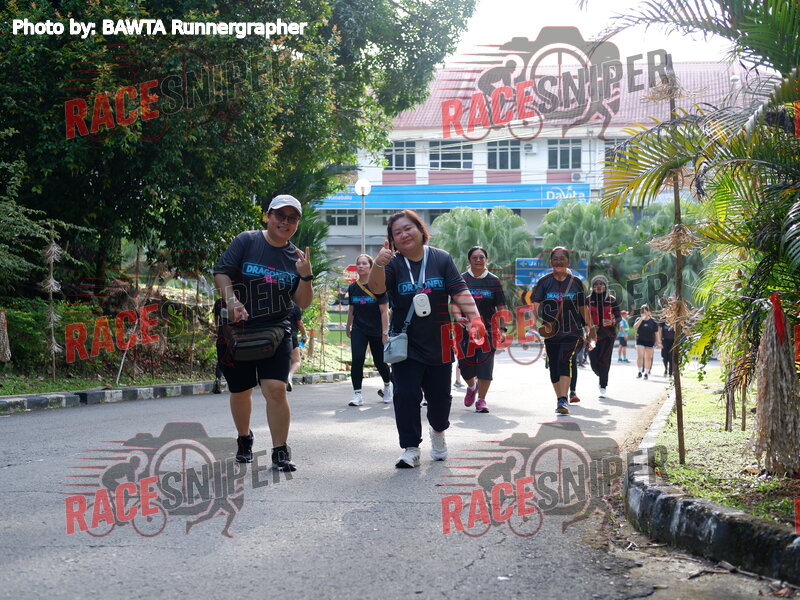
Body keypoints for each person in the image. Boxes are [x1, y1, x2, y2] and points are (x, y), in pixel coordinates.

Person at [369, 210, 483, 469]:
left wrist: (475, 320)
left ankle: (438, 431)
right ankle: (411, 448)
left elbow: (459, 290)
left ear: (421, 230)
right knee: (405, 395)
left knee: (440, 398)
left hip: (440, 341)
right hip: (405, 342)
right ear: (392, 241)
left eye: (408, 228)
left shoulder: (441, 258)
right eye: (397, 233)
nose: (404, 235)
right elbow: (377, 289)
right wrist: (378, 265)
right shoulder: (393, 264)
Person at [213, 194, 313, 472]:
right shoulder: (247, 241)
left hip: (277, 330)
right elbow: (221, 272)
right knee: (240, 390)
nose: (285, 222)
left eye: (292, 218)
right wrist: (232, 301)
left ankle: (280, 450)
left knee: (276, 389)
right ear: (268, 216)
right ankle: (244, 438)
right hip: (236, 330)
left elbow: (303, 302)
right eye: (280, 215)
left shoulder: (297, 257)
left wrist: (306, 275)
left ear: (297, 223)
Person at [529, 247, 594, 415]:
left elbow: (583, 307)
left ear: (568, 262)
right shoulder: (544, 282)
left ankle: (563, 398)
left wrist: (589, 326)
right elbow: (535, 306)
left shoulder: (576, 282)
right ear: (551, 262)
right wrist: (534, 326)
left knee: (565, 360)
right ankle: (560, 398)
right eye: (555, 259)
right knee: (554, 366)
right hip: (551, 331)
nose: (558, 262)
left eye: (562, 258)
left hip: (572, 330)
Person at [452, 246, 508, 413]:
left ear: (486, 259)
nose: (478, 260)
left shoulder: (494, 280)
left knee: (485, 366)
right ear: (469, 260)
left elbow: (501, 307)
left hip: (489, 331)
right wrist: (458, 318)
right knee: (465, 366)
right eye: (474, 257)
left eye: (481, 257)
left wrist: (503, 329)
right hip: (464, 330)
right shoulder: (461, 279)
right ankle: (471, 386)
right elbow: (454, 304)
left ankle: (481, 400)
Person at [345, 253, 392, 406]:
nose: (361, 266)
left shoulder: (379, 286)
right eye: (359, 263)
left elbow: (384, 311)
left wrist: (385, 333)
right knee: (357, 359)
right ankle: (357, 394)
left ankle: (387, 387)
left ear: (371, 267)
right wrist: (348, 326)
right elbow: (351, 309)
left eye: (364, 263)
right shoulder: (353, 287)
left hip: (377, 330)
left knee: (380, 362)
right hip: (359, 329)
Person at [587, 275, 621, 398]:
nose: (599, 286)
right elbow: (581, 317)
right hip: (592, 336)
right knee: (593, 361)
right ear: (592, 287)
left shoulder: (611, 300)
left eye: (601, 284)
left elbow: (619, 317)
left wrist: (612, 322)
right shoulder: (587, 300)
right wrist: (590, 326)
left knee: (605, 360)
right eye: (596, 284)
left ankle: (603, 385)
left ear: (605, 286)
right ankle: (600, 374)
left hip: (608, 335)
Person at [634, 304, 659, 380]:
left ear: (648, 312)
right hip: (640, 340)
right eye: (642, 312)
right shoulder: (639, 319)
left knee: (648, 358)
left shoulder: (653, 321)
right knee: (640, 355)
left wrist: (658, 342)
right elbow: (635, 327)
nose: (643, 313)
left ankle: (646, 373)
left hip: (650, 341)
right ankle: (639, 371)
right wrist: (641, 319)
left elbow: (656, 332)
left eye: (645, 312)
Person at [286, 302, 307, 392]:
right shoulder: (294, 306)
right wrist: (304, 335)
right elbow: (300, 323)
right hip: (291, 335)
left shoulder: (275, 304)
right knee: (296, 361)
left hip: (276, 336)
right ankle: (289, 375)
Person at [212, 297, 225, 394]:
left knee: (221, 358)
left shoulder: (218, 302)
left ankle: (218, 379)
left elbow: (216, 318)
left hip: (222, 334)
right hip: (236, 334)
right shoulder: (236, 300)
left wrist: (217, 329)